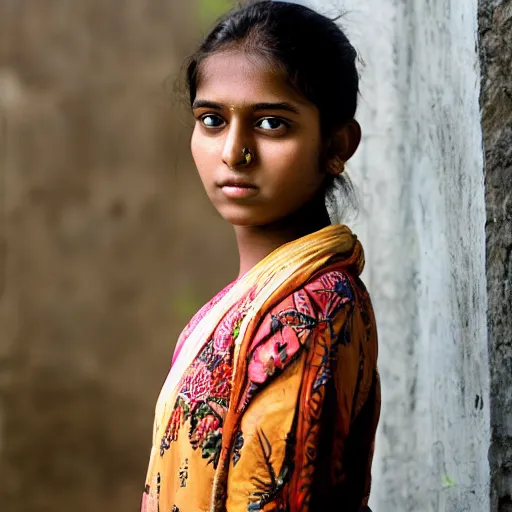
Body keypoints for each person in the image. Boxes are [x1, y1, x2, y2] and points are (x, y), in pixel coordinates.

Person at [141, 2, 380, 511]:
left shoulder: (311, 310)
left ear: (337, 144)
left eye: (271, 123)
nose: (233, 151)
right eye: (211, 119)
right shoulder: (250, 303)